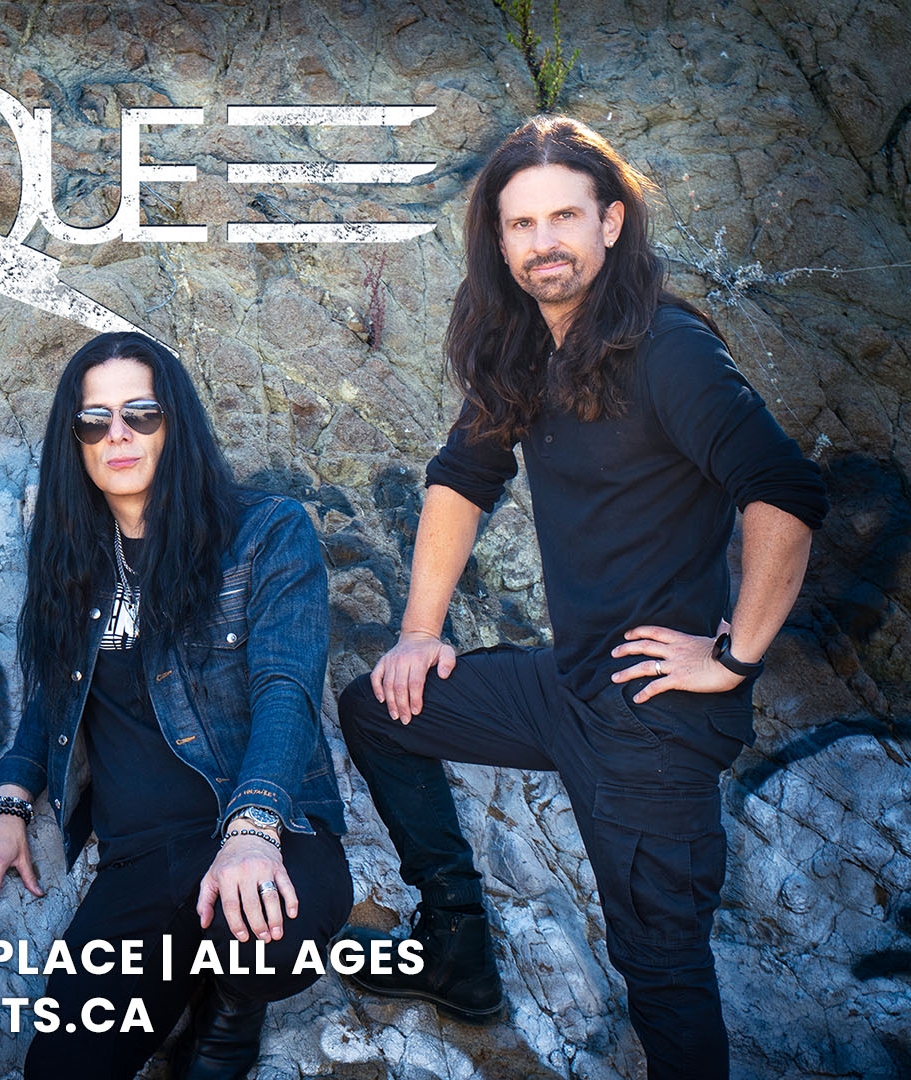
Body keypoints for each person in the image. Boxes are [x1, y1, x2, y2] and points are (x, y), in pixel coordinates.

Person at [334, 115, 827, 1079]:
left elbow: (786, 491)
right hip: (570, 689)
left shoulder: (668, 348)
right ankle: (459, 957)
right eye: (521, 225)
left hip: (655, 718)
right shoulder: (525, 346)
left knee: (662, 972)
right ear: (499, 240)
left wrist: (730, 659)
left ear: (611, 223)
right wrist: (418, 632)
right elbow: (462, 476)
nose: (542, 242)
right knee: (379, 709)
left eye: (564, 216)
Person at [0, 332, 354, 1080]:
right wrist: (6, 809)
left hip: (256, 827)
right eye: (93, 421)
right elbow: (50, 701)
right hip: (136, 865)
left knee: (264, 945)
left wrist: (253, 830)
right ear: (76, 442)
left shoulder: (265, 533)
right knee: (60, 1072)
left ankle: (230, 1007)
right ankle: (197, 972)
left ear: (177, 423)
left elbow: (285, 688)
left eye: (141, 413)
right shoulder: (74, 558)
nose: (117, 434)